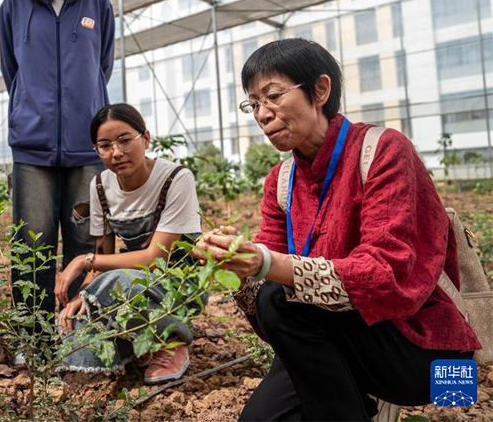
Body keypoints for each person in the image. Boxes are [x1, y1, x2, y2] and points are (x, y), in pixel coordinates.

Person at [193, 38, 480, 421]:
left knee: (279, 298)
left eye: (274, 95)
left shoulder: (383, 150)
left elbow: (386, 275)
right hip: (330, 338)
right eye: (254, 103)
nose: (262, 114)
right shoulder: (280, 182)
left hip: (421, 351)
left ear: (320, 90)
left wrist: (267, 264)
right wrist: (235, 262)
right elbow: (268, 290)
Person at [0, 0, 115, 345]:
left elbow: (100, 65)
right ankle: (33, 338)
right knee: (33, 247)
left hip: (88, 148)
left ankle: (81, 338)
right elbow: (13, 71)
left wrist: (84, 110)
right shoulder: (15, 3)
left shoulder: (96, 0)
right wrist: (32, 108)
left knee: (86, 244)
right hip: (33, 146)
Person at [55, 104, 201, 383]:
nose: (116, 153)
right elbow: (103, 256)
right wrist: (81, 297)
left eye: (125, 140)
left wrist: (83, 260)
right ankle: (140, 341)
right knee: (73, 317)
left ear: (145, 138)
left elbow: (154, 257)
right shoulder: (100, 186)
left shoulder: (176, 178)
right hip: (131, 280)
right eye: (105, 145)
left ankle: (173, 340)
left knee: (121, 282)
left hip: (179, 283)